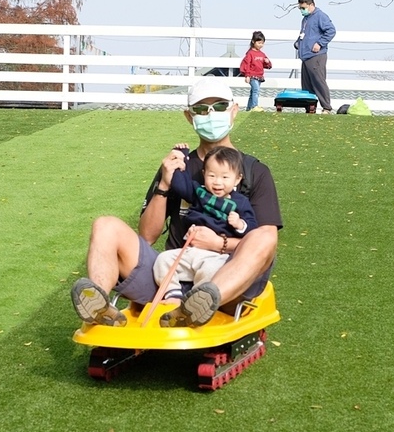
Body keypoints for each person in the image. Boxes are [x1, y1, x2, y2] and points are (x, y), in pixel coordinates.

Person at [71, 77, 282, 328]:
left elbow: (263, 246)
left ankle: (203, 302)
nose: (211, 115)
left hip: (227, 276)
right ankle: (100, 306)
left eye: (220, 106)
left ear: (234, 110)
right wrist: (164, 185)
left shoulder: (255, 172)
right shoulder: (177, 166)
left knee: (267, 237)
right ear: (189, 116)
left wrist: (219, 242)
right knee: (105, 225)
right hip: (172, 274)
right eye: (202, 110)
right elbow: (147, 236)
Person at [152, 146, 257, 307]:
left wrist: (240, 224)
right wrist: (182, 157)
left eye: (225, 177)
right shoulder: (200, 193)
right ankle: (173, 294)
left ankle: (197, 302)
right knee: (163, 260)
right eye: (212, 175)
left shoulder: (240, 203)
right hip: (189, 251)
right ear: (204, 175)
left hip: (215, 256)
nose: (217, 182)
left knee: (212, 271)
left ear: (237, 179)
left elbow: (253, 229)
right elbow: (181, 184)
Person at [294, 0, 336, 114]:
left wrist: (320, 43)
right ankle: (310, 108)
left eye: (303, 8)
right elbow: (305, 34)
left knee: (318, 81)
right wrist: (298, 43)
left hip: (316, 56)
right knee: (306, 85)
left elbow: (331, 30)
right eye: (300, 8)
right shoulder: (305, 19)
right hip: (305, 56)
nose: (302, 10)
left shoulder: (320, 16)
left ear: (311, 4)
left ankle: (326, 107)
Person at [239, 31, 272, 111]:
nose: (261, 45)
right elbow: (247, 64)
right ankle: (255, 106)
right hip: (252, 76)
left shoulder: (262, 54)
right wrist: (247, 76)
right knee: (256, 90)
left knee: (253, 92)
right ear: (253, 41)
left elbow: (267, 65)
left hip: (259, 76)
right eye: (259, 43)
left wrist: (267, 63)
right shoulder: (250, 54)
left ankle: (249, 108)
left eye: (262, 43)